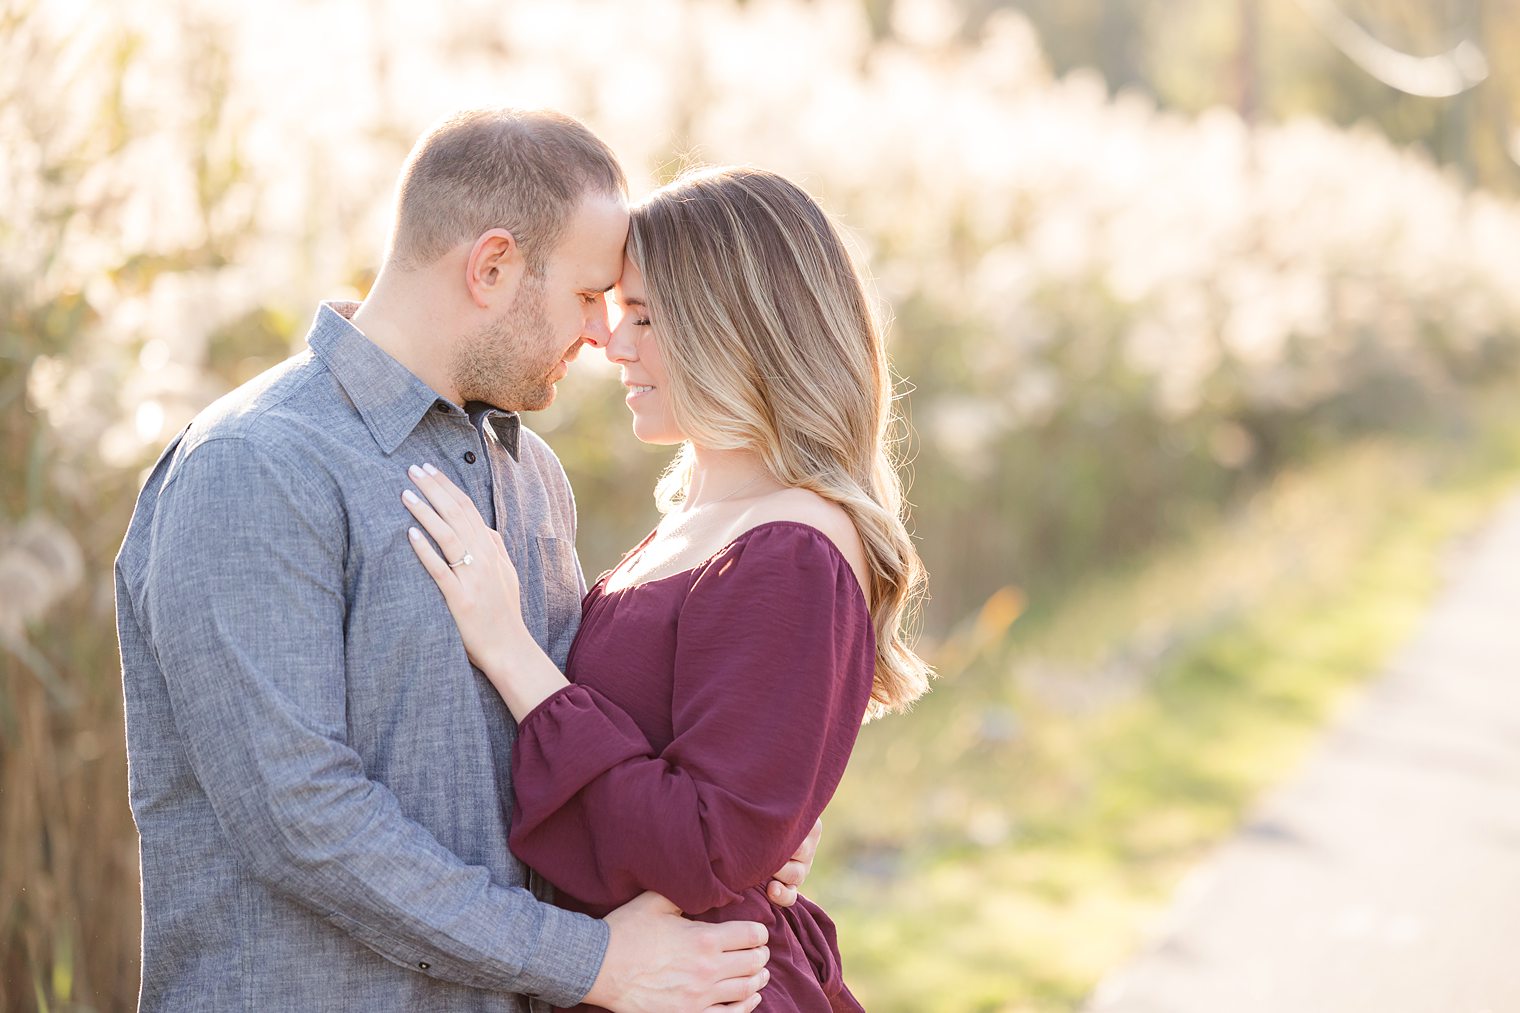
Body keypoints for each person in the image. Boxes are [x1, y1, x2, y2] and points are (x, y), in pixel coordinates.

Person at [115, 109, 816, 1012]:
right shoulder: (256, 466)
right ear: (492, 268)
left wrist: (747, 813)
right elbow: (301, 819)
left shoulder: (531, 477)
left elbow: (573, 734)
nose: (604, 336)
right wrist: (591, 960)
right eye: (588, 295)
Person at [399, 166, 934, 1011]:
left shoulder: (791, 545)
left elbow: (701, 847)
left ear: (737, 329)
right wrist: (769, 824)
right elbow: (721, 795)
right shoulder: (704, 517)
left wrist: (511, 651)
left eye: (645, 318)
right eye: (615, 312)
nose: (614, 346)